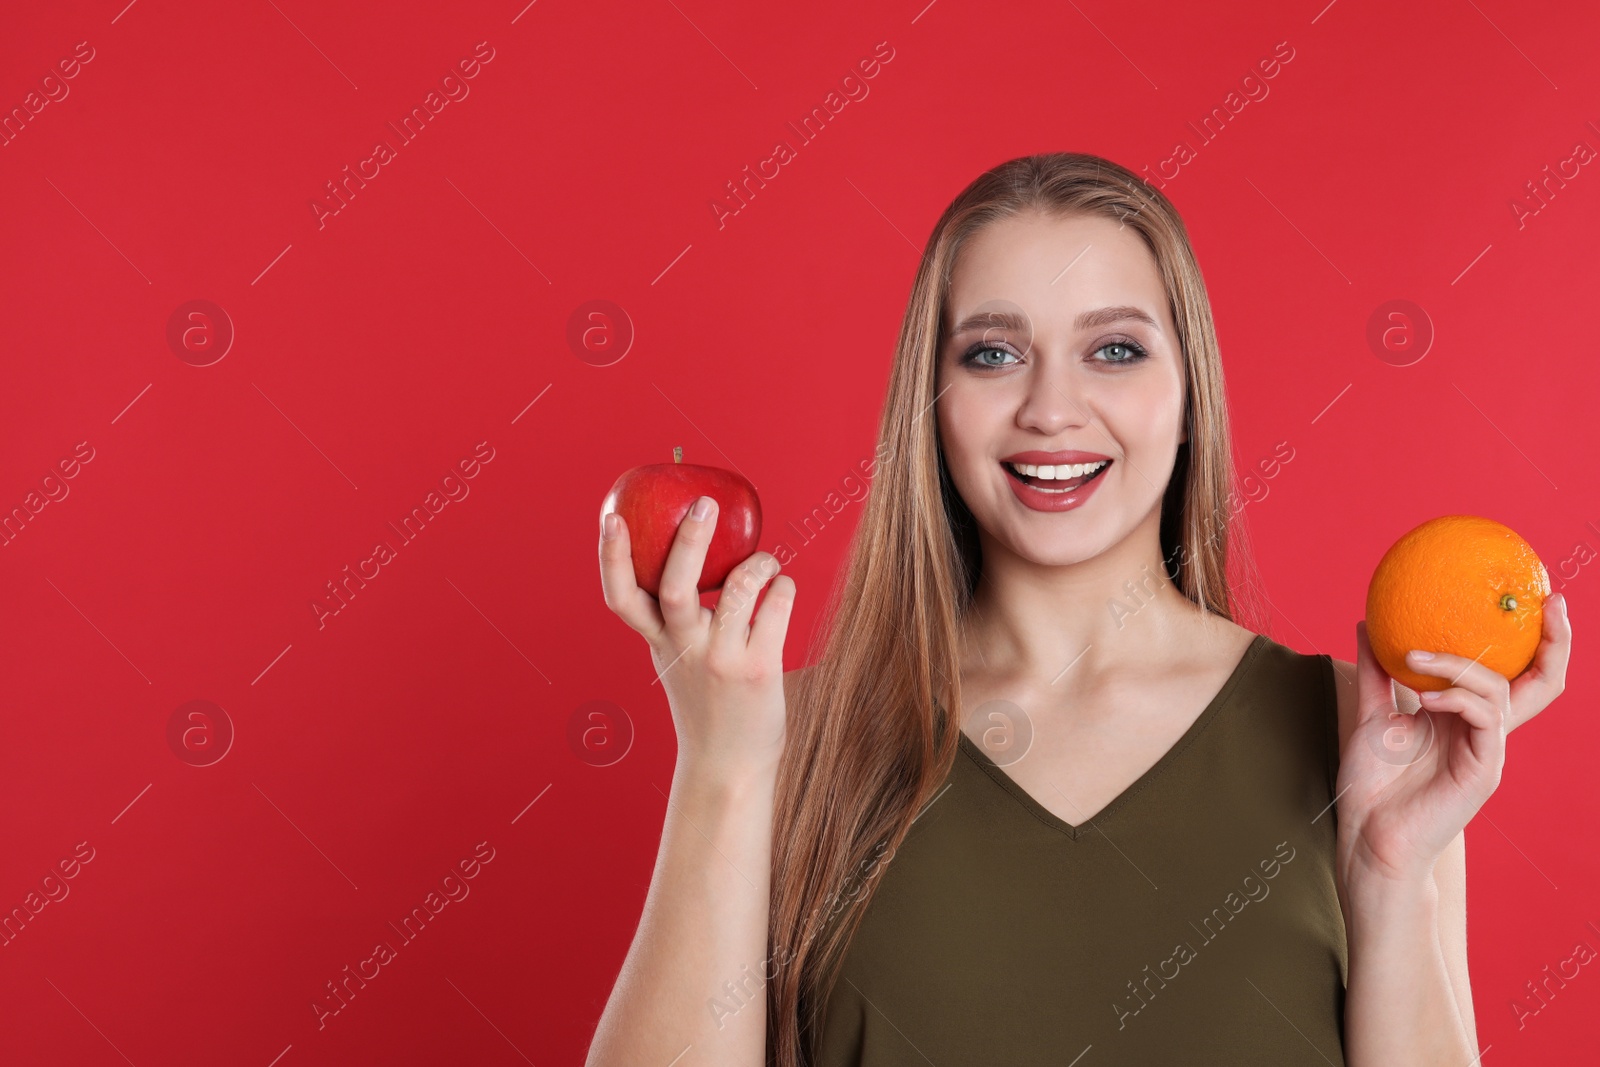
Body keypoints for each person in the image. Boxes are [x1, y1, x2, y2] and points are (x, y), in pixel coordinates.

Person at [586, 152, 1572, 1066]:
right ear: (929, 402)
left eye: (1112, 349)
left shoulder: (1368, 735)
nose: (1051, 407)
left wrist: (1389, 870)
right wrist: (719, 768)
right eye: (990, 354)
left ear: (1188, 395)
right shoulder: (786, 739)